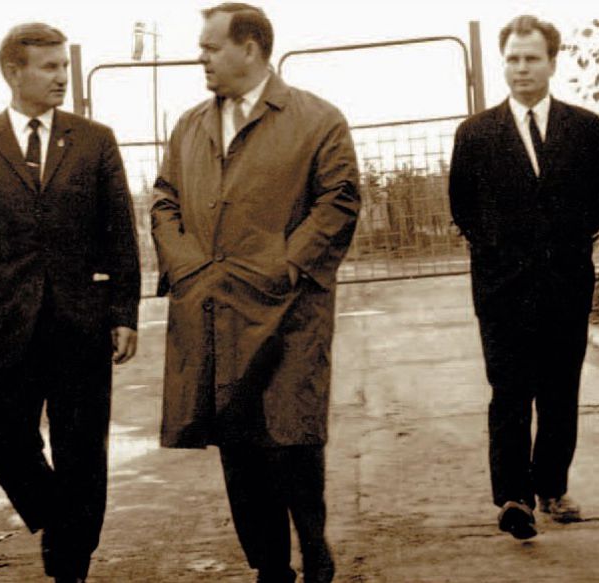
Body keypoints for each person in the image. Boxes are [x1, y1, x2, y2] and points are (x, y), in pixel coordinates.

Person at [151, 3, 360, 581]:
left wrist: (287, 266)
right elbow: (165, 199)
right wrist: (186, 265)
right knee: (238, 448)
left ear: (249, 48)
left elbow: (339, 200)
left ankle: (313, 545)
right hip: (215, 309)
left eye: (211, 47)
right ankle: (270, 569)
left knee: (292, 436)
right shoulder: (191, 125)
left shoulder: (317, 120)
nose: (201, 57)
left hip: (289, 312)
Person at [0, 22, 141, 582]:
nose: (61, 78)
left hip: (82, 323)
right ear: (13, 72)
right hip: (8, 326)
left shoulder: (95, 141)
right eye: (49, 67)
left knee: (83, 452)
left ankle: (70, 569)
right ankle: (59, 517)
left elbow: (120, 234)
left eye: (64, 67)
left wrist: (124, 313)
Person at [448, 15, 599, 540]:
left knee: (560, 391)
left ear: (551, 63)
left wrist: (561, 247)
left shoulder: (584, 128)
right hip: (503, 290)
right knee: (510, 392)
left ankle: (552, 488)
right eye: (513, 59)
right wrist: (503, 254)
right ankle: (513, 498)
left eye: (531, 58)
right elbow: (462, 207)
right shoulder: (475, 134)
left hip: (565, 284)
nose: (521, 68)